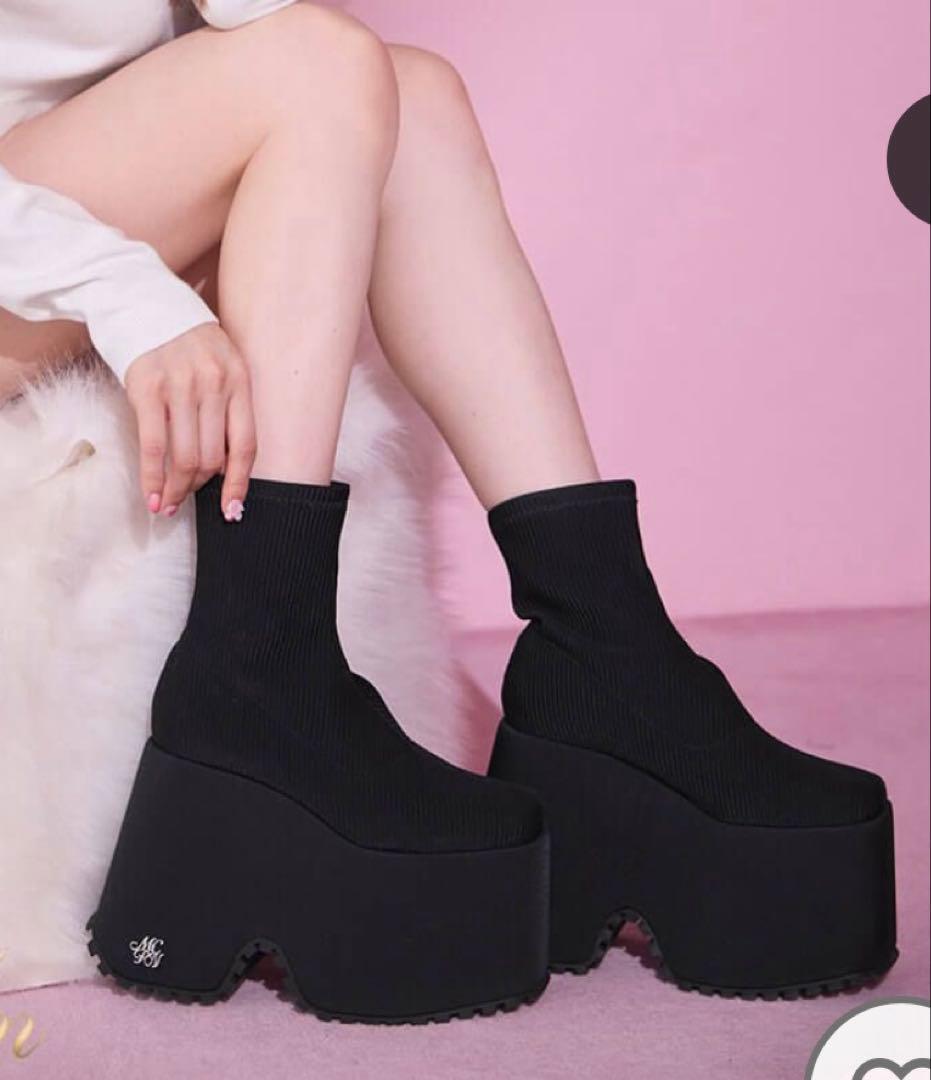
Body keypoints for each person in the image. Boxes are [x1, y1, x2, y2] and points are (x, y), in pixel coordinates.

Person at [0, 0, 896, 1023]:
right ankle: (257, 672)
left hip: (60, 180)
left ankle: (601, 653)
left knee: (407, 95)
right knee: (320, 62)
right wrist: (126, 295)